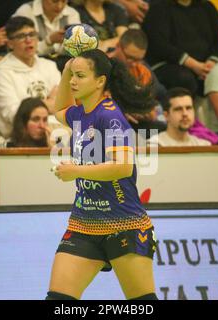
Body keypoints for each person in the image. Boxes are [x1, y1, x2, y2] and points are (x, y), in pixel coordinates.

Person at [47, 49, 158, 300]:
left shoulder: (110, 116)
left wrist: (76, 170)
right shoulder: (79, 114)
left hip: (124, 226)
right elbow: (59, 109)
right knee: (58, 301)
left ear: (100, 81)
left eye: (80, 76)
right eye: (72, 76)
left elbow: (123, 166)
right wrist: (66, 71)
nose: (73, 82)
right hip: (83, 225)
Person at [0, 16, 61, 138]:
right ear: (10, 43)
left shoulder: (50, 66)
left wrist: (31, 110)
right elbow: (15, 116)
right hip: (18, 140)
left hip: (55, 133)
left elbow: (65, 107)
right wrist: (49, 103)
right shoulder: (2, 73)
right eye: (21, 36)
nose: (28, 40)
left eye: (32, 34)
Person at [142, 0, 218, 97]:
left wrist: (211, 63)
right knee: (184, 78)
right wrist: (193, 65)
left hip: (205, 66)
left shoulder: (207, 6)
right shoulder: (158, 7)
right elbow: (159, 45)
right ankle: (183, 109)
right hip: (168, 64)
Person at [12, 0, 81, 59]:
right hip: (34, 63)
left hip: (64, 63)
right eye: (54, 1)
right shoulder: (26, 12)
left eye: (63, 1)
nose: (59, 6)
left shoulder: (72, 13)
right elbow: (20, 50)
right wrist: (49, 41)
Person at [148, 87, 212, 147]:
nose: (185, 113)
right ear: (166, 116)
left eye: (188, 108)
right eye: (178, 109)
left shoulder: (204, 145)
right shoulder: (153, 145)